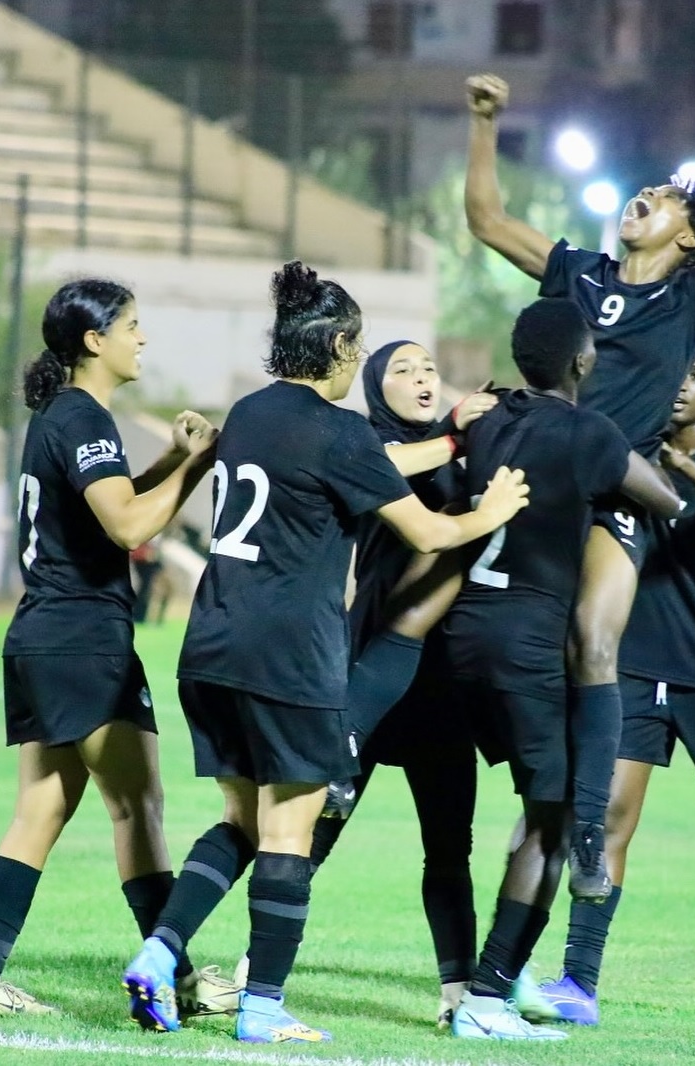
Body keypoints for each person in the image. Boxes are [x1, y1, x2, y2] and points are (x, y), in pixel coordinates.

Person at [121, 260, 530, 1042]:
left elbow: (373, 466)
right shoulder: (339, 430)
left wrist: (443, 439)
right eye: (365, 348)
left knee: (241, 821)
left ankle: (159, 950)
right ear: (341, 348)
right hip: (287, 653)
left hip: (209, 645)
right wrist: (495, 508)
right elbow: (432, 531)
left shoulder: (249, 412)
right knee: (288, 833)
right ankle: (263, 1008)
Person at [464, 72, 695, 900]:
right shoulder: (578, 273)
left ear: (690, 239)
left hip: (614, 493)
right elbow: (487, 220)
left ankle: (584, 833)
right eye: (645, 190)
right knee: (445, 615)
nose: (645, 195)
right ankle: (357, 746)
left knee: (594, 637)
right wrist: (484, 125)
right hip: (537, 478)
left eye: (665, 198)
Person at [0, 279, 219, 1017]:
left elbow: (115, 505)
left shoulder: (62, 414)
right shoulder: (84, 416)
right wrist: (195, 466)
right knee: (138, 807)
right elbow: (130, 528)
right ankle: (178, 979)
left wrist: (170, 459)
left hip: (44, 636)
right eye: (132, 325)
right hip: (82, 642)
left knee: (43, 806)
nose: (142, 338)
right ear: (93, 341)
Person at [440, 297, 682, 1040]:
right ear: (583, 362)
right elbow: (664, 500)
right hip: (526, 648)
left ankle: (496, 983)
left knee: (486, 818)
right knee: (552, 822)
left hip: (459, 636)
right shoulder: (589, 433)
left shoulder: (485, 420)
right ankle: (485, 998)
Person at [541, 335, 695, 1027]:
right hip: (635, 660)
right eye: (677, 370)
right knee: (610, 822)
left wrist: (675, 465)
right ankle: (579, 983)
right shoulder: (627, 443)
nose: (684, 384)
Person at [310, 340, 493, 1029]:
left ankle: (458, 994)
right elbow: (419, 526)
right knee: (320, 820)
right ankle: (252, 968)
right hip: (373, 664)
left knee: (450, 846)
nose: (420, 377)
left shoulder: (459, 448)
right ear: (375, 390)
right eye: (401, 370)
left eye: (427, 368)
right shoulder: (365, 445)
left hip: (441, 678)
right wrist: (454, 432)